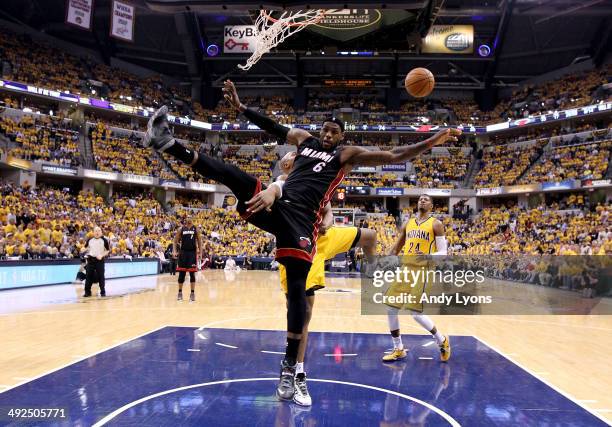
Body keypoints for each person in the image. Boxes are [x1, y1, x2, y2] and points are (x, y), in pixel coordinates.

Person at [143, 80, 460, 403]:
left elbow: (395, 152)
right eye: (325, 129)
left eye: (334, 132)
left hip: (304, 222)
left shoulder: (345, 155)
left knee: (298, 291)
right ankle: (169, 143)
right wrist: (241, 109)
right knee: (234, 176)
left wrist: (434, 139)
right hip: (278, 206)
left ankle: (290, 368)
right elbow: (272, 127)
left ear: (342, 137)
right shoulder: (302, 142)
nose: (328, 134)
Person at [257, 151, 378, 406]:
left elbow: (330, 212)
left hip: (323, 238)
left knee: (370, 236)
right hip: (298, 244)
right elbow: (275, 191)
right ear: (286, 164)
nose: (294, 155)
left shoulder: (316, 178)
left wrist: (327, 222)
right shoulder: (282, 181)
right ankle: (297, 373)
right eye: (290, 154)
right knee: (304, 315)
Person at [382, 194, 451, 363]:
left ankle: (442, 341)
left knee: (415, 313)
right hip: (406, 268)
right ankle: (398, 349)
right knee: (391, 308)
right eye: (420, 198)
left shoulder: (436, 224)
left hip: (424, 270)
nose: (422, 200)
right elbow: (397, 247)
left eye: (426, 199)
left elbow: (443, 253)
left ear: (432, 206)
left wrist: (427, 256)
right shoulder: (408, 223)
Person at [172, 217, 202, 302]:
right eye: (187, 217)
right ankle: (180, 293)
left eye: (190, 217)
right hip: (183, 253)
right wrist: (174, 251)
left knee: (192, 274)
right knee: (182, 274)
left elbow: (200, 241)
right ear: (185, 220)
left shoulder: (196, 229)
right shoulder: (181, 229)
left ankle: (192, 294)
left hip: (192, 253)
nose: (189, 219)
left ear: (192, 219)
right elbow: (175, 241)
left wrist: (200, 253)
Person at [83, 226, 109, 297]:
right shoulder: (90, 240)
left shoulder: (104, 240)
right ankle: (87, 292)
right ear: (93, 232)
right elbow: (85, 248)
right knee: (88, 276)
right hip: (91, 259)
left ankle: (102, 292)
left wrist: (101, 255)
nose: (97, 232)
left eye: (99, 231)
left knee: (101, 276)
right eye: (96, 231)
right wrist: (83, 249)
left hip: (100, 260)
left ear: (101, 232)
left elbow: (107, 250)